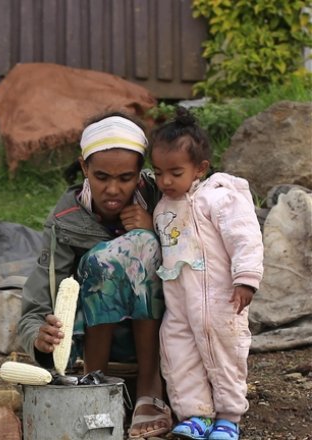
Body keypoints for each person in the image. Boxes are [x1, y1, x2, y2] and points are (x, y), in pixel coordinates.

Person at [17, 112, 171, 439]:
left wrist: (155, 230)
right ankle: (93, 381)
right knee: (107, 259)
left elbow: (200, 260)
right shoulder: (65, 222)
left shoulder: (165, 195)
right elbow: (33, 309)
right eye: (101, 176)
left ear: (141, 170)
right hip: (99, 342)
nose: (113, 189)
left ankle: (149, 386)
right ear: (84, 167)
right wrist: (39, 340)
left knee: (141, 243)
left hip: (162, 341)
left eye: (126, 178)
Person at [150, 108, 263, 440]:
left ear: (199, 169)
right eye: (158, 172)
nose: (165, 181)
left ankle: (229, 416)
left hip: (220, 301)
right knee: (179, 355)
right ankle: (195, 414)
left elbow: (245, 236)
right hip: (180, 303)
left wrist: (245, 279)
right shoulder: (162, 208)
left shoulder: (219, 198)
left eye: (175, 172)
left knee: (225, 354)